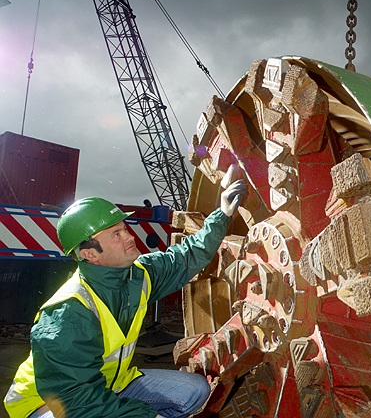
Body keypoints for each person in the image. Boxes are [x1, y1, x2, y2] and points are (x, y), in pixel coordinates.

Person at [4, 166, 247, 418]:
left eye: (125, 228)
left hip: (111, 385)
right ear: (90, 254)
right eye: (116, 235)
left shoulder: (138, 274)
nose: (129, 237)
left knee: (195, 391)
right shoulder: (67, 313)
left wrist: (222, 214)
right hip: (52, 404)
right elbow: (78, 402)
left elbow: (185, 257)